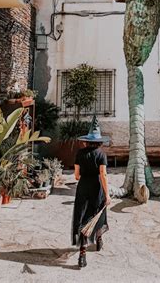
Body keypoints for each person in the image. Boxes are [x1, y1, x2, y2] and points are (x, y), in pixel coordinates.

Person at [71, 115, 111, 268]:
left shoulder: (80, 154)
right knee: (98, 215)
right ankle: (99, 240)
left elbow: (76, 175)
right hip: (96, 188)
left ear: (87, 140)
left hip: (82, 188)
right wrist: (107, 194)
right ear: (99, 141)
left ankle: (82, 255)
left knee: (82, 218)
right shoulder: (101, 155)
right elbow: (103, 175)